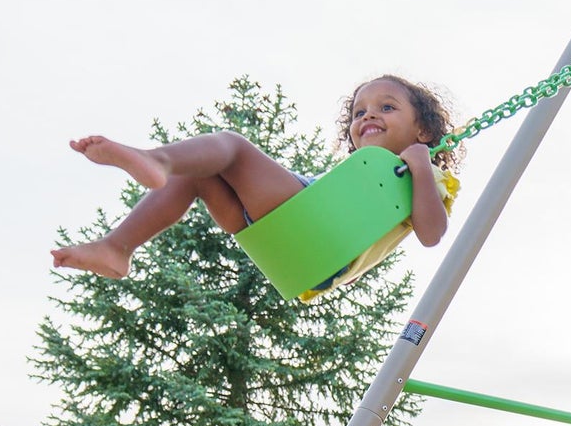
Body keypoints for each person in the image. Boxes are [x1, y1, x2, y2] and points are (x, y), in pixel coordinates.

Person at [51, 76, 459, 302]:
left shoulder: (423, 175)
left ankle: (157, 160)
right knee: (196, 174)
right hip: (280, 239)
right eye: (359, 112)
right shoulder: (355, 180)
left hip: (318, 238)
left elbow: (432, 233)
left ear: (423, 130)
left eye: (387, 107)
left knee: (231, 147)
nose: (368, 115)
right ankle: (118, 247)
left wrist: (422, 168)